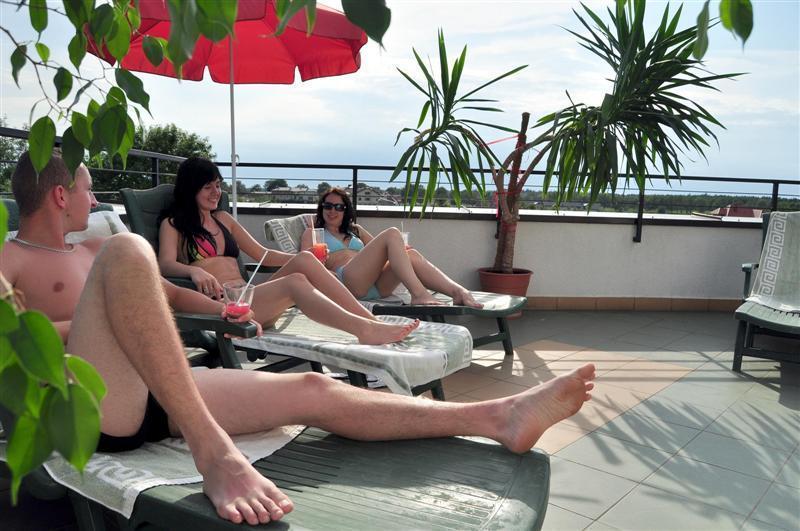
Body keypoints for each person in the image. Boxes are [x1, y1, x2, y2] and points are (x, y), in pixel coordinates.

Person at [1, 152, 596, 526]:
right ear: (59, 195)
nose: (96, 201)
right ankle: (215, 455)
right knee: (129, 248)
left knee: (314, 387)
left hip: (156, 388)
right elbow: (9, 347)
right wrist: (98, 321)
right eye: (87, 190)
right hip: (88, 406)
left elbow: (171, 299)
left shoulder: (91, 248)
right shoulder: (10, 261)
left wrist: (221, 308)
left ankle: (498, 416)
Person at [158, 157, 418, 345]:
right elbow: (164, 264)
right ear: (191, 189)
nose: (216, 192)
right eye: (208, 187)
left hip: (251, 298)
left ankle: (370, 322)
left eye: (218, 185)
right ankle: (364, 329)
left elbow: (262, 254)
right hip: (226, 307)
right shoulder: (173, 224)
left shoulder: (223, 219)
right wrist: (193, 271)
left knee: (304, 260)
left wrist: (305, 260)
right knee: (295, 282)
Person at [303, 187, 483, 307]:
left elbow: (380, 252)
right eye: (328, 206)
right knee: (392, 233)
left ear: (345, 210)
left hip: (377, 286)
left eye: (338, 207)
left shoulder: (356, 230)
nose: (332, 211)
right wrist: (326, 273)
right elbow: (304, 263)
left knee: (410, 254)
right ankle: (419, 294)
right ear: (321, 208)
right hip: (347, 282)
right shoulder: (313, 233)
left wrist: (399, 251)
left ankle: (457, 291)